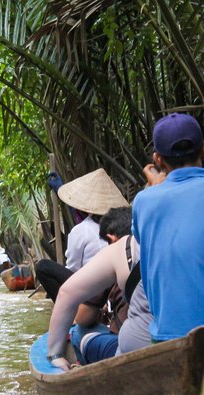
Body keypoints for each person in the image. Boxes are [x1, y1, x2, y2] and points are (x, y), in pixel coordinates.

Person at [132, 113, 204, 342]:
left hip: (168, 339)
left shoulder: (144, 201)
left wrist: (155, 186)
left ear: (158, 159)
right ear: (203, 150)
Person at [46, 233, 152, 371]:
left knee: (79, 332)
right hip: (182, 346)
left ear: (112, 238)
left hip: (135, 353)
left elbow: (66, 294)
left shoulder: (127, 247)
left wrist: (54, 355)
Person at [35, 168, 129, 302]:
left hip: (94, 292)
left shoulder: (82, 230)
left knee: (42, 267)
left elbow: (73, 269)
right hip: (116, 287)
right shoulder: (123, 223)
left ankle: (69, 311)